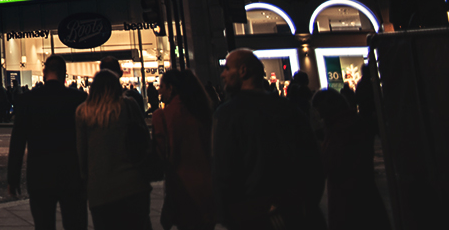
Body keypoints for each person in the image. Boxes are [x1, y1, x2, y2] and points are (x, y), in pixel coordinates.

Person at [211, 49, 324, 230]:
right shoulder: (288, 109)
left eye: (227, 69)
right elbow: (313, 161)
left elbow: (224, 170)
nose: (223, 74)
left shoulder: (227, 115)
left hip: (252, 213)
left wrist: (227, 215)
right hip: (293, 209)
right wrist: (306, 203)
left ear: (243, 71)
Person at [8, 55, 88, 230]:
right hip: (71, 173)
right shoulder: (78, 99)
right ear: (64, 74)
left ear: (44, 73)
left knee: (43, 224)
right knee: (75, 223)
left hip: (40, 174)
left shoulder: (27, 100)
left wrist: (12, 178)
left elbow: (18, 142)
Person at [75, 69, 152, 229]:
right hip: (133, 184)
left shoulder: (83, 112)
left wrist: (84, 181)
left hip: (100, 190)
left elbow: (81, 152)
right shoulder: (128, 105)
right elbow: (144, 138)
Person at [311, 88, 390, 230]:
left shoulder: (339, 130)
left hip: (347, 200)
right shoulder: (353, 124)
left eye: (320, 112)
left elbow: (329, 163)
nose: (320, 117)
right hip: (363, 196)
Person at [153, 68, 215, 230]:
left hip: (182, 189)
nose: (159, 91)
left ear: (171, 88)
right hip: (209, 186)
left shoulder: (163, 116)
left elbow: (164, 155)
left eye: (162, 86)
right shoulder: (202, 111)